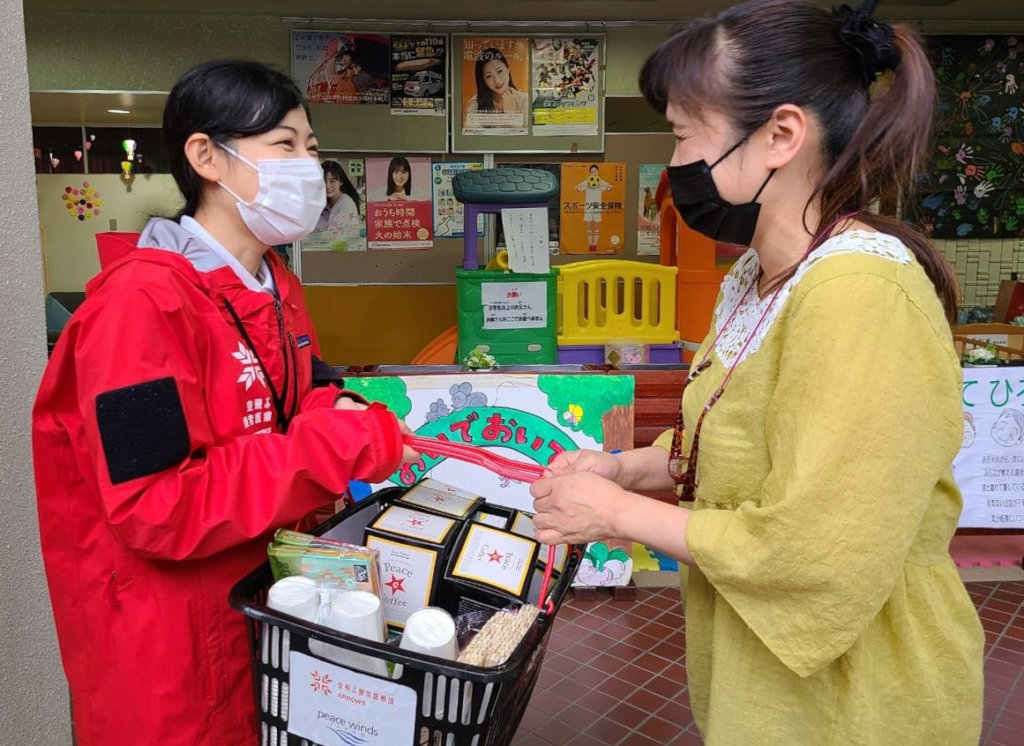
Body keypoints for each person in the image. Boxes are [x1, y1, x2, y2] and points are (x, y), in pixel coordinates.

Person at [530, 1, 984, 744]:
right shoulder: (757, 278)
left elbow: (816, 546)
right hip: (762, 679)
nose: (674, 165)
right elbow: (734, 451)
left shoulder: (857, 293)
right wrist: (622, 469)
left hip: (857, 698)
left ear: (780, 134)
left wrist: (614, 515)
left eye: (681, 135)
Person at [32, 59, 419, 746]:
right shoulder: (136, 308)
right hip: (170, 656)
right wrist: (335, 444)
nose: (309, 166)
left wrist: (340, 410)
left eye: (312, 147)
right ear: (205, 155)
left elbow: (291, 407)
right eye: (285, 145)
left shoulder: (272, 286)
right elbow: (156, 504)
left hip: (260, 615)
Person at [465, 47, 529, 126]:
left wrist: (512, 113)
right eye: (489, 76)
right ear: (483, 80)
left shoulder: (524, 101)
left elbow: (527, 137)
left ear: (508, 68)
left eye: (499, 71)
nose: (497, 81)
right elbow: (470, 136)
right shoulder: (475, 103)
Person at [316, 159, 361, 233]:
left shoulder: (346, 204)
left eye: (332, 181)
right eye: (324, 181)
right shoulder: (325, 204)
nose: (328, 186)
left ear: (341, 182)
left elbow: (334, 237)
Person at [574, 164, 613, 251]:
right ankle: (590, 245)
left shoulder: (601, 183)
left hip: (597, 207)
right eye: (592, 172)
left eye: (595, 171)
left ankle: (594, 245)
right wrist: (586, 183)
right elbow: (576, 188)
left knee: (596, 226)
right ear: (589, 173)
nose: (593, 173)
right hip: (588, 206)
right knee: (589, 226)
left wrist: (601, 183)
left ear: (598, 172)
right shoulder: (587, 183)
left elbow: (610, 187)